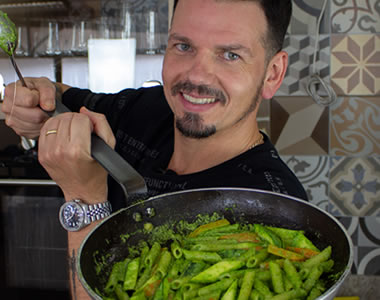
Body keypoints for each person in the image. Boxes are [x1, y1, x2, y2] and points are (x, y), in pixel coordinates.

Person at [2, 0, 307, 298]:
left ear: (272, 74)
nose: (196, 76)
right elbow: (64, 97)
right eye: (183, 46)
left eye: (230, 54)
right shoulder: (148, 108)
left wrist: (85, 200)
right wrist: (39, 100)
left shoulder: (275, 207)